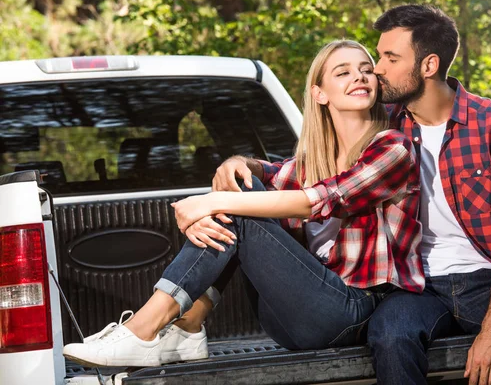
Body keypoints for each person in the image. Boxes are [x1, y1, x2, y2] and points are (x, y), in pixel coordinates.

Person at [212, 5, 491, 385]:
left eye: (388, 58)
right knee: (391, 338)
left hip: (488, 278)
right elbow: (316, 169)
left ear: (428, 66)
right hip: (413, 285)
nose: (376, 69)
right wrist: (250, 165)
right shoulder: (382, 123)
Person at [62, 39, 423, 368]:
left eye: (365, 70)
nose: (359, 78)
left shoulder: (392, 148)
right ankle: (187, 326)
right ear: (319, 93)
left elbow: (321, 200)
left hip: (354, 310)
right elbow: (266, 173)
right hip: (290, 318)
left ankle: (147, 327)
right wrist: (236, 164)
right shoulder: (313, 163)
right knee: (243, 189)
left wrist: (211, 204)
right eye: (342, 72)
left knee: (242, 207)